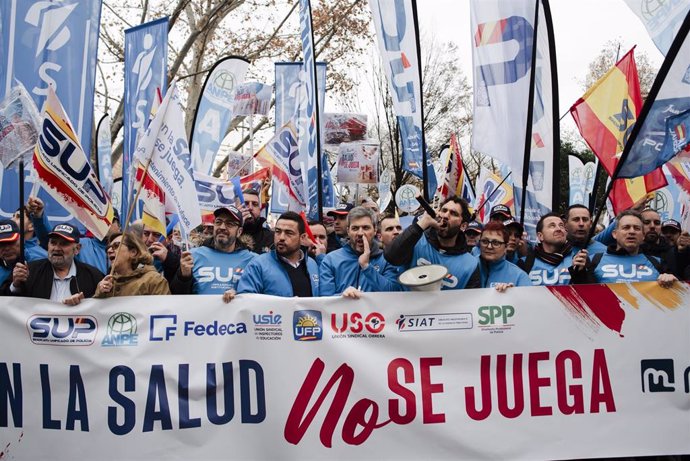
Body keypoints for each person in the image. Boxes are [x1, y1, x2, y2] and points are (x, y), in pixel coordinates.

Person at [385, 196, 480, 290]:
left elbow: (470, 301)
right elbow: (391, 257)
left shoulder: (470, 265)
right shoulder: (416, 241)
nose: (446, 216)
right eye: (444, 210)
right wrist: (421, 224)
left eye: (454, 213)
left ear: (463, 226)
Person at [570, 210, 677, 287]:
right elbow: (585, 296)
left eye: (637, 228)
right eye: (626, 227)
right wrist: (579, 273)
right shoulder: (593, 260)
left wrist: (673, 281)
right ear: (615, 234)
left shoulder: (657, 263)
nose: (631, 231)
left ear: (643, 235)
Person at [4, 223, 104, 304]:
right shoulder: (29, 271)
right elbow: (6, 306)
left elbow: (104, 307)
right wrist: (16, 285)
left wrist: (84, 303)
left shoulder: (92, 276)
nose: (56, 248)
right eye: (53, 243)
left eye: (63, 244)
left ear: (77, 249)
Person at [170, 206, 256, 296]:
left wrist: (240, 294)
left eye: (229, 224)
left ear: (239, 231)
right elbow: (177, 297)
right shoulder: (193, 255)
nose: (222, 227)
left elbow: (260, 295)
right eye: (218, 222)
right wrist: (183, 276)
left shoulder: (253, 260)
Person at [236, 212, 320, 299]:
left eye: (289, 233)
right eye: (278, 231)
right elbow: (246, 300)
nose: (281, 237)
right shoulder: (258, 265)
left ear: (302, 237)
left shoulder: (312, 264)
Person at [27, 196, 120, 274]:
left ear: (119, 226)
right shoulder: (83, 245)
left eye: (110, 220)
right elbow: (49, 239)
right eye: (99, 220)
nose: (105, 224)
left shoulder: (126, 248)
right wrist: (38, 216)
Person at [320, 206, 401, 295]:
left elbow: (393, 293)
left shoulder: (387, 259)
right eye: (355, 228)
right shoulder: (331, 260)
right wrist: (342, 296)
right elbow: (325, 298)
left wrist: (366, 267)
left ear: (375, 230)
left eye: (366, 228)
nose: (360, 233)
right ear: (348, 231)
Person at [95, 232, 170, 297]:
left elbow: (164, 311)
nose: (109, 250)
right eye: (108, 247)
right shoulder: (107, 283)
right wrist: (100, 294)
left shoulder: (154, 280)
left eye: (116, 245)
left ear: (133, 252)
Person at [519, 213, 573, 286]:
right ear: (540, 236)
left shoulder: (577, 259)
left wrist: (581, 272)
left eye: (561, 225)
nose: (559, 229)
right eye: (552, 226)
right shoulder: (525, 263)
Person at [478, 221, 531, 291]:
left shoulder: (519, 276)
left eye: (496, 243)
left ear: (506, 246)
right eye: (485, 241)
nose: (489, 246)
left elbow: (528, 301)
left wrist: (513, 295)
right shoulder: (469, 268)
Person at [0, 219, 46, 286]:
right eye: (1, 244)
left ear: (22, 240)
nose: (7, 248)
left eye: (11, 242)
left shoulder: (41, 262)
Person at [240, 187, 274, 254]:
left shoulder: (271, 238)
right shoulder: (228, 234)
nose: (250, 208)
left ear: (259, 209)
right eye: (246, 204)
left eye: (255, 204)